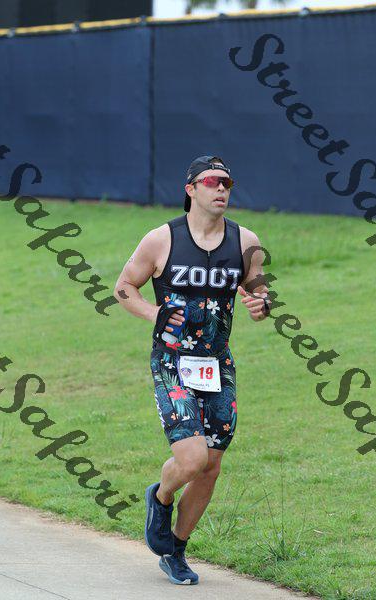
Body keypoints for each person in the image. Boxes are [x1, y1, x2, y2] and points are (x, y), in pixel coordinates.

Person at [114, 155, 270, 585]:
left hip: (218, 364)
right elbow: (124, 287)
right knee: (193, 457)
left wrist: (261, 304)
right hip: (172, 362)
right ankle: (161, 497)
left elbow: (258, 288)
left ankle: (176, 551)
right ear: (191, 189)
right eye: (212, 181)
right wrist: (153, 314)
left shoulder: (245, 241)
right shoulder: (161, 239)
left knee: (211, 465)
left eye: (227, 183)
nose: (221, 189)